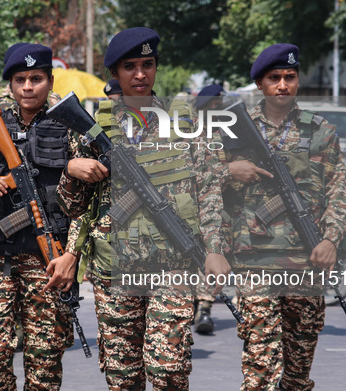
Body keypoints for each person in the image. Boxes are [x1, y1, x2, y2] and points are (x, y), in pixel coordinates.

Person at [56, 27, 230, 390]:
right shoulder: (92, 126)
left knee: (169, 372)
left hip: (174, 264)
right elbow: (74, 207)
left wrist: (214, 249)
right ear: (115, 74)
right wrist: (72, 171)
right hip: (114, 269)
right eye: (130, 67)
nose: (140, 75)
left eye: (147, 65)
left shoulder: (188, 121)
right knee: (123, 377)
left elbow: (210, 190)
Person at [213, 43, 346, 390]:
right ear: (260, 83)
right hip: (254, 261)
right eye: (274, 77)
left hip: (307, 261)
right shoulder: (232, 128)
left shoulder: (321, 131)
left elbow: (338, 192)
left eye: (290, 76)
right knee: (260, 365)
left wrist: (331, 239)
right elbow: (199, 182)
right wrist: (230, 169)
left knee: (297, 370)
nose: (283, 84)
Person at [0, 43, 75, 391]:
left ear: (50, 80)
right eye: (20, 79)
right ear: (10, 84)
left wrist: (72, 253)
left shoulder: (69, 125)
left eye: (36, 78)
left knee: (45, 355)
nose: (28, 86)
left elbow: (87, 203)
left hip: (48, 257)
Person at [192, 83, 225, 335]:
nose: (219, 106)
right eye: (216, 103)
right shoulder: (194, 131)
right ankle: (198, 305)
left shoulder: (223, 131)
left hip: (219, 206)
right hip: (192, 206)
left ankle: (204, 307)